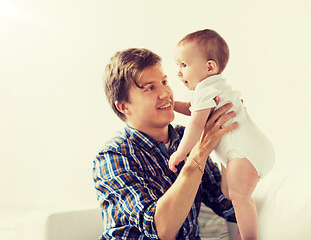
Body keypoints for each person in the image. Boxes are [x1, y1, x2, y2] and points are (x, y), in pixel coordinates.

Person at [93, 47, 239, 240]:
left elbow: (228, 207)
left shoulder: (184, 137)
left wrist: (226, 141)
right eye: (150, 88)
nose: (165, 94)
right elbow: (161, 229)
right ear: (123, 106)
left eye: (164, 82)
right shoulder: (113, 156)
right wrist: (200, 151)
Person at [169, 29, 275, 240]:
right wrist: (171, 105)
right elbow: (193, 108)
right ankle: (242, 234)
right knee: (229, 194)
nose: (178, 73)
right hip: (246, 151)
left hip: (244, 152)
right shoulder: (214, 87)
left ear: (209, 66)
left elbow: (197, 122)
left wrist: (181, 153)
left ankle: (248, 238)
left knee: (239, 196)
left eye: (183, 65)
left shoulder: (205, 90)